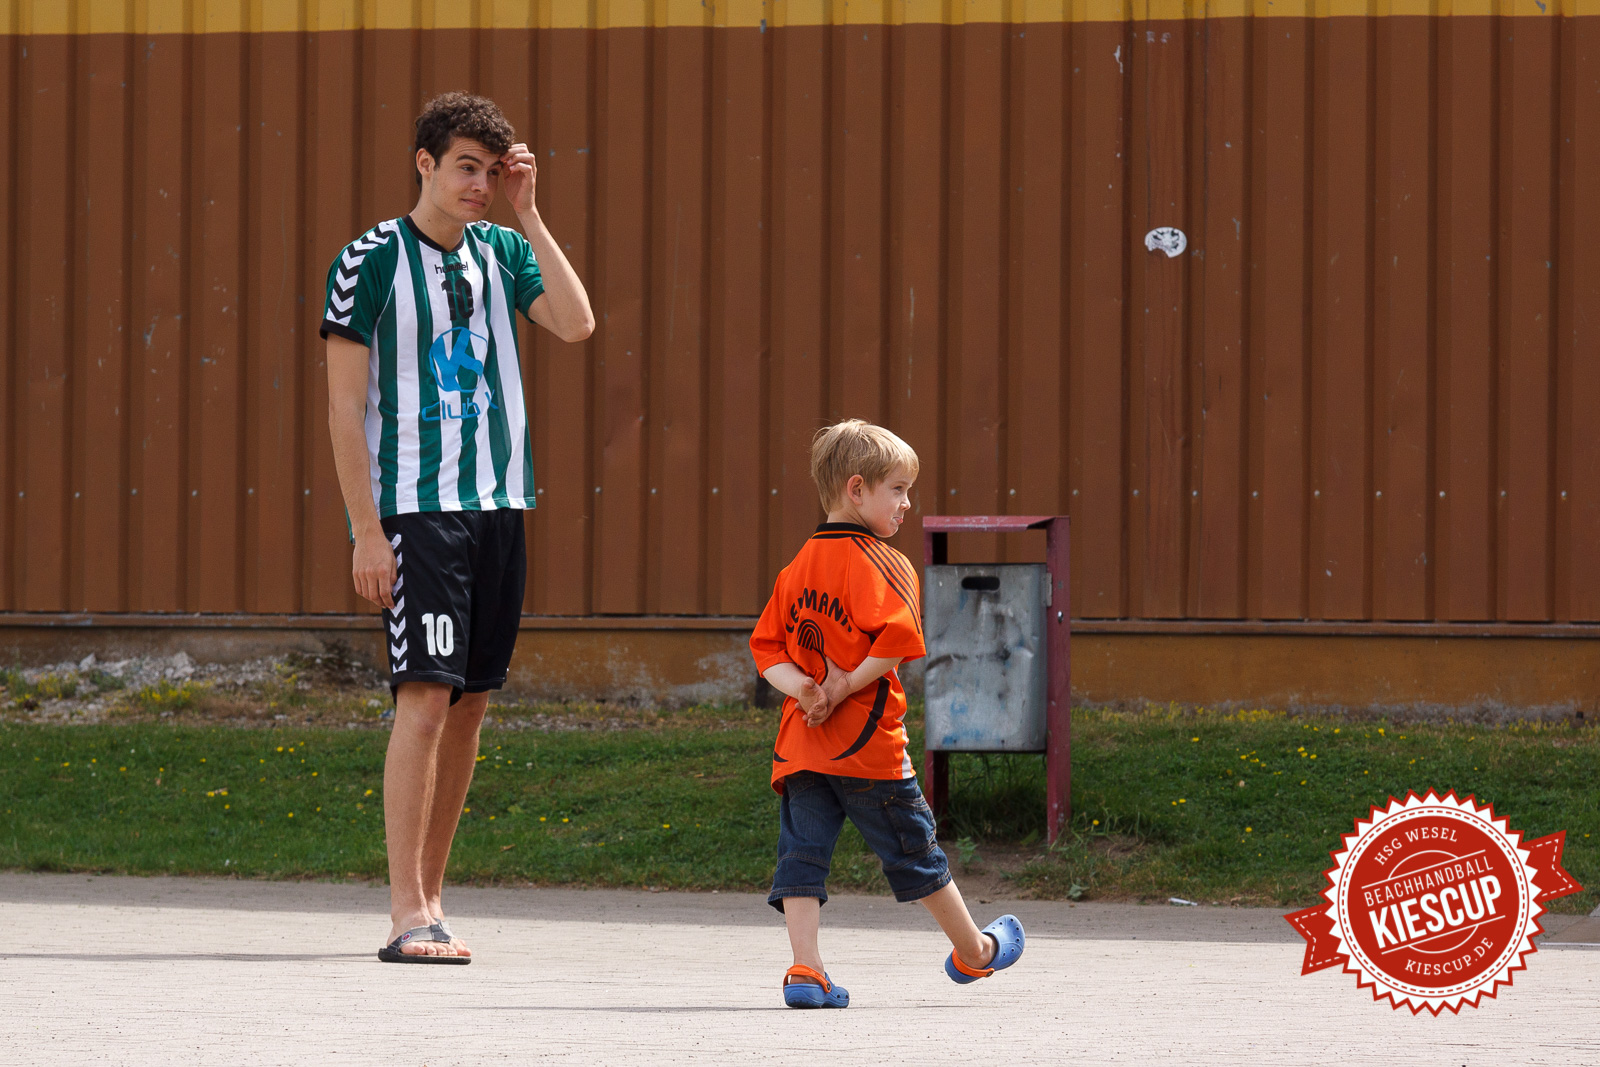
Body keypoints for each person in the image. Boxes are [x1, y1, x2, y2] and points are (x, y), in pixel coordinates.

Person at [321, 92, 594, 963]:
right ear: (425, 163)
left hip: (499, 505)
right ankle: (405, 910)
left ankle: (433, 899)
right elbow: (343, 407)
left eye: (492, 170)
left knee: (471, 702)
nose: (479, 184)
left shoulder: (504, 251)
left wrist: (530, 212)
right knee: (426, 697)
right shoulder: (368, 261)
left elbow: (576, 323)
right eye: (466, 167)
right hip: (416, 508)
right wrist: (367, 530)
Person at [749, 419, 1025, 1007]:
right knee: (915, 850)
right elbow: (897, 642)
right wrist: (845, 685)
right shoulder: (885, 563)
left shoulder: (795, 569)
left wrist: (806, 691)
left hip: (802, 748)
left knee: (800, 857)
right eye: (897, 489)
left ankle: (806, 970)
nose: (906, 504)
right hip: (869, 748)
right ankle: (975, 952)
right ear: (857, 489)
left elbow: (767, 651)